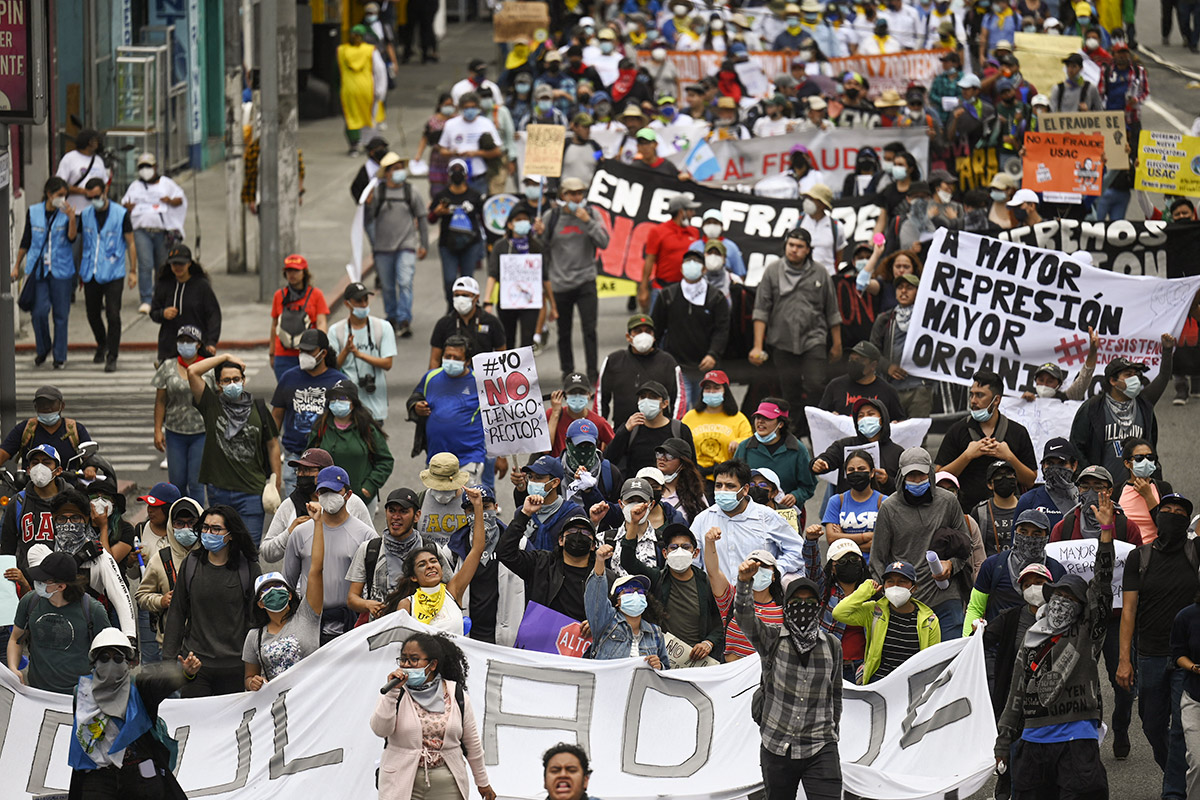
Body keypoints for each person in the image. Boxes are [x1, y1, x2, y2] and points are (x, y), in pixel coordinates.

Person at [993, 520, 1114, 800]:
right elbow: (1016, 694)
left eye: (1070, 598)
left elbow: (1102, 585)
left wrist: (1106, 532)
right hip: (1033, 741)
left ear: (1081, 608)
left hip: (1077, 740)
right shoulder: (1032, 639)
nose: (1061, 601)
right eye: (1058, 595)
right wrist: (1003, 743)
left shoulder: (1087, 635)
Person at [735, 566, 843, 800]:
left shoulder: (832, 645)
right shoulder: (771, 639)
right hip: (777, 745)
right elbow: (744, 617)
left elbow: (835, 694)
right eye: (796, 601)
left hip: (820, 745)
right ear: (786, 606)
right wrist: (744, 582)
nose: (803, 607)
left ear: (818, 607)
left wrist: (833, 731)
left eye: (809, 602)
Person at [1120, 494, 1197, 792]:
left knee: (1179, 728)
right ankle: (1179, 774)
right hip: (1149, 655)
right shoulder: (1139, 558)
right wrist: (1124, 660)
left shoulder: (1195, 552)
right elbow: (1128, 610)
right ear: (1157, 516)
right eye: (1167, 510)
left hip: (1185, 658)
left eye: (1180, 513)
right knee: (1152, 725)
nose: (1173, 515)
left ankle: (1173, 792)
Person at [66, 628, 201, 797]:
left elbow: (162, 684)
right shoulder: (82, 693)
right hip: (99, 774)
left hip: (138, 772)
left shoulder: (140, 687)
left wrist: (185, 673)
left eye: (118, 658)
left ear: (127, 663)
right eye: (104, 658)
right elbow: (82, 736)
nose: (111, 664)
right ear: (95, 662)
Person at [371, 632, 495, 800]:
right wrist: (392, 693)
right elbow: (380, 729)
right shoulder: (396, 692)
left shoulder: (455, 694)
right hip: (400, 782)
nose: (406, 665)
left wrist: (483, 782)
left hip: (446, 785)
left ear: (432, 665)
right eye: (403, 659)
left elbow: (472, 744)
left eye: (414, 660)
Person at [871, 447, 972, 639]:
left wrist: (951, 565)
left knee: (949, 653)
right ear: (901, 476)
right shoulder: (889, 508)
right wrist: (888, 595)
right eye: (911, 476)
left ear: (931, 474)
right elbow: (878, 559)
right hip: (905, 600)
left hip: (945, 596)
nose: (917, 481)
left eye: (922, 475)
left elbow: (967, 546)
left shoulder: (948, 501)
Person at [162, 504, 262, 697]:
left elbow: (257, 618)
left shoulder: (248, 568)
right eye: (205, 528)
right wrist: (168, 661)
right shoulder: (191, 564)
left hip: (236, 666)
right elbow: (177, 613)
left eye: (216, 529)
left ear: (231, 534)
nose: (209, 533)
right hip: (196, 665)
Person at [749, 228, 843, 431]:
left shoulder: (820, 272)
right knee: (789, 392)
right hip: (781, 341)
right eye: (791, 245)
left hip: (814, 339)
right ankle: (792, 434)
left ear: (808, 249)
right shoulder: (773, 271)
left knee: (816, 385)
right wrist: (757, 346)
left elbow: (832, 310)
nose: (794, 249)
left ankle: (816, 430)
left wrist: (837, 343)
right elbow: (761, 310)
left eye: (800, 246)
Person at [187, 353, 282, 544]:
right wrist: (225, 356)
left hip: (252, 492)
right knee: (221, 548)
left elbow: (273, 446)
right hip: (218, 491)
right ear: (218, 384)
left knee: (249, 549)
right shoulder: (211, 405)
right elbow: (192, 371)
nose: (232, 384)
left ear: (244, 381)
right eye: (226, 380)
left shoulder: (259, 409)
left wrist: (275, 483)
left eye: (236, 379)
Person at [283, 466, 378, 644]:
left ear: (348, 495)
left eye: (334, 491)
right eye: (324, 491)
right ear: (317, 494)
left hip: (350, 627)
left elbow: (374, 587)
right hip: (308, 625)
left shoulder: (366, 535)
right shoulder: (300, 533)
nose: (329, 496)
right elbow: (288, 582)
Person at [380, 487, 488, 636]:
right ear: (413, 577)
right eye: (422, 564)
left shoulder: (453, 591)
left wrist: (478, 506)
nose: (430, 566)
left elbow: (477, 549)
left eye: (433, 561)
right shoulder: (407, 604)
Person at [244, 501, 325, 687]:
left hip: (312, 696)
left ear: (289, 594)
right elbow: (249, 678)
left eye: (278, 586)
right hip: (280, 702)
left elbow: (316, 569)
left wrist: (318, 523)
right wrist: (252, 683)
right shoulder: (254, 637)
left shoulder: (307, 615)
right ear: (260, 603)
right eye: (266, 589)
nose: (273, 591)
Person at [619, 521, 724, 663]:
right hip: (663, 657)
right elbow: (627, 561)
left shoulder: (706, 582)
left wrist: (709, 642)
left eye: (686, 547)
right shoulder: (658, 578)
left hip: (698, 659)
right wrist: (633, 524)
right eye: (673, 548)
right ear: (665, 553)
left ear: (695, 553)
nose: (679, 551)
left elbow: (721, 620)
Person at [1070, 346, 1176, 487]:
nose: (1135, 379)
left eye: (1135, 374)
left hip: (1138, 488)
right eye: (1128, 375)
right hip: (1102, 489)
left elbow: (1163, 377)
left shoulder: (1144, 405)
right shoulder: (1093, 408)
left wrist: (1167, 350)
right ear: (1113, 381)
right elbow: (1077, 447)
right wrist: (1091, 482)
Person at [936, 369, 1038, 512]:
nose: (973, 401)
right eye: (971, 394)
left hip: (1009, 514)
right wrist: (967, 456)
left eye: (980, 395)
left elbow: (1030, 480)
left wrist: (1009, 457)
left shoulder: (1017, 432)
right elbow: (939, 476)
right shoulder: (957, 431)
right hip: (965, 512)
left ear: (996, 400)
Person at [6, 551, 109, 693]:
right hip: (37, 692)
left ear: (61, 586)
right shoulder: (30, 602)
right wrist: (13, 668)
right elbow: (15, 639)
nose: (37, 583)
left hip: (80, 695)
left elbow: (107, 653)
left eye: (43, 581)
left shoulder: (93, 610)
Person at [539, 176, 609, 382]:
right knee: (564, 332)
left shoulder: (592, 214)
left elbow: (604, 242)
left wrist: (588, 222)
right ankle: (567, 372)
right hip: (560, 283)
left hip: (586, 280)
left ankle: (593, 372)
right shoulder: (551, 216)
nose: (576, 198)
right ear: (563, 195)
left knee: (589, 329)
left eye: (579, 193)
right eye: (571, 194)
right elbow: (540, 247)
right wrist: (538, 233)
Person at [691, 459, 805, 580]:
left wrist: (775, 570)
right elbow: (693, 561)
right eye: (718, 485)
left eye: (730, 486)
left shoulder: (767, 517)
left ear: (745, 489)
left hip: (757, 590)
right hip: (715, 591)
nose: (723, 490)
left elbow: (797, 550)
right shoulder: (703, 520)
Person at [833, 558, 941, 683]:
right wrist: (865, 590)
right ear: (884, 586)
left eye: (902, 581)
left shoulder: (929, 620)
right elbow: (839, 613)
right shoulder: (874, 611)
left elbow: (933, 660)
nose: (895, 586)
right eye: (890, 581)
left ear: (914, 588)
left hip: (911, 685)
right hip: (878, 683)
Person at [260, 447, 373, 562]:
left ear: (326, 472)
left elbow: (372, 546)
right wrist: (289, 532)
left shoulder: (351, 502)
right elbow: (267, 553)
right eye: (299, 470)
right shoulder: (290, 504)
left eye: (307, 470)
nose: (301, 475)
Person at [499, 506, 611, 622]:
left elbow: (616, 614)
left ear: (593, 545)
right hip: (542, 632)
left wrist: (598, 624)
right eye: (572, 531)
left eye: (585, 532)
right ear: (560, 540)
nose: (578, 535)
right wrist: (524, 515)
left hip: (583, 633)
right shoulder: (540, 563)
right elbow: (505, 553)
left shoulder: (604, 578)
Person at [408, 337, 494, 488]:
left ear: (467, 361)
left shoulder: (480, 382)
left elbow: (496, 418)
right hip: (436, 459)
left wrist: (500, 456)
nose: (451, 361)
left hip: (469, 457)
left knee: (464, 500)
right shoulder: (430, 377)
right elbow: (416, 397)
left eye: (457, 358)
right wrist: (416, 406)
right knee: (438, 500)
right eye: (448, 356)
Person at [271, 329, 350, 495]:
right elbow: (276, 417)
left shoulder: (338, 381)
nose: (304, 355)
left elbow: (349, 421)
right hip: (295, 457)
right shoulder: (288, 378)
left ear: (323, 353)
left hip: (325, 460)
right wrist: (270, 449)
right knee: (294, 508)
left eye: (309, 351)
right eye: (301, 350)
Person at [964, 508, 1067, 633]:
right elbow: (975, 608)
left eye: (1036, 534)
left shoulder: (1056, 570)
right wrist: (968, 640)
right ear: (1015, 533)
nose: (1029, 538)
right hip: (997, 641)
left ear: (1046, 537)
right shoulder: (993, 565)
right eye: (1023, 532)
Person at [651, 253, 732, 407]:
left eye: (696, 262)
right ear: (681, 269)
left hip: (705, 365)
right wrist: (657, 357)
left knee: (702, 408)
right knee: (682, 408)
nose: (692, 265)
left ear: (704, 270)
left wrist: (713, 354)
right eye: (688, 262)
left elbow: (722, 329)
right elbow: (656, 328)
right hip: (677, 365)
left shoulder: (716, 297)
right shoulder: (668, 295)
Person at [13, 177, 77, 368]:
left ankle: (59, 356)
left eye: (65, 195)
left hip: (61, 269)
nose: (62, 199)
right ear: (49, 194)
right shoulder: (34, 212)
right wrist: (16, 266)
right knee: (39, 312)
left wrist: (72, 219)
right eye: (59, 195)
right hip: (38, 269)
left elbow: (72, 238)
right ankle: (43, 348)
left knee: (61, 315)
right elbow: (26, 240)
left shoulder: (67, 213)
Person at [365, 153, 430, 338]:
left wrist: (424, 244)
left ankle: (404, 319)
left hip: (406, 246)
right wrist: (368, 204)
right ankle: (392, 316)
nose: (400, 171)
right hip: (383, 248)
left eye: (401, 167)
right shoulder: (378, 193)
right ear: (386, 173)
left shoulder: (411, 191)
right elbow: (369, 219)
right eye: (395, 168)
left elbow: (422, 218)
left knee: (405, 281)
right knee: (387, 286)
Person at [307, 380, 393, 511]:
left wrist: (369, 487)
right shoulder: (321, 427)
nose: (337, 402)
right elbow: (309, 460)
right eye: (333, 398)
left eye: (342, 398)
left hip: (361, 499)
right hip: (326, 498)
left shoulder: (367, 428)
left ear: (353, 402)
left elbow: (385, 461)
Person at [78, 177, 136, 372]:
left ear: (105, 191)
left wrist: (133, 271)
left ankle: (112, 355)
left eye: (96, 196)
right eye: (90, 197)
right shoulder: (85, 215)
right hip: (91, 272)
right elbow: (83, 243)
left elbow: (131, 243)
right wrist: (80, 271)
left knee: (113, 314)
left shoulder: (120, 214)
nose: (93, 200)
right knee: (92, 313)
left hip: (113, 272)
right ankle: (101, 343)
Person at [135, 496, 202, 663]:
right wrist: (161, 601)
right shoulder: (161, 559)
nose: (186, 529)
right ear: (171, 526)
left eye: (191, 523)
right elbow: (141, 596)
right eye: (179, 523)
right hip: (171, 646)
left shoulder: (211, 556)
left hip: (206, 645)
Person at [584, 545, 670, 667]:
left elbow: (666, 669)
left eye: (640, 591)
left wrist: (659, 666)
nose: (635, 595)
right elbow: (596, 597)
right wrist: (600, 561)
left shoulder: (655, 632)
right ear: (617, 601)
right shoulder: (606, 622)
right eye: (628, 591)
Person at [121, 153, 186, 313]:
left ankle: (161, 297)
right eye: (142, 167)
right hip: (142, 231)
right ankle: (146, 299)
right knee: (145, 264)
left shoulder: (166, 183)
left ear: (155, 167)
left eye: (148, 166)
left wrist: (169, 201)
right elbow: (125, 203)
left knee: (162, 266)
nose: (145, 170)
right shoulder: (135, 186)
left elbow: (180, 199)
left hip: (161, 232)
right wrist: (128, 207)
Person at [485, 206, 556, 349]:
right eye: (518, 220)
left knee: (527, 342)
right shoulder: (500, 246)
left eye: (525, 220)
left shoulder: (536, 246)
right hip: (507, 301)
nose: (522, 222)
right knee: (507, 339)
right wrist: (487, 302)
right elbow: (492, 275)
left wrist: (553, 306)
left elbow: (545, 278)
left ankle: (525, 365)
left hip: (530, 303)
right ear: (510, 224)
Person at [597, 314, 687, 426]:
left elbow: (679, 399)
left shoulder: (668, 362)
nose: (643, 335)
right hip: (622, 429)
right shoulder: (613, 361)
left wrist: (674, 429)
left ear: (654, 337)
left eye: (648, 331)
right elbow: (601, 399)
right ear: (628, 336)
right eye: (638, 331)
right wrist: (600, 430)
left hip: (659, 431)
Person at [151, 325, 206, 500]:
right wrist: (158, 430)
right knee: (177, 483)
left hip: (201, 432)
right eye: (182, 341)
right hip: (175, 432)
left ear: (198, 344)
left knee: (196, 483)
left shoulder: (208, 368)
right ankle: (179, 514)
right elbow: (160, 401)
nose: (185, 344)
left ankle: (197, 515)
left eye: (190, 341)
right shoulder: (168, 367)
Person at [330, 281, 397, 423]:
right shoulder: (336, 331)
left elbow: (387, 363)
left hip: (376, 406)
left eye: (366, 299)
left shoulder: (383, 327)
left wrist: (359, 355)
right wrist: (346, 351)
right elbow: (333, 368)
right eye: (358, 301)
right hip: (347, 407)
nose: (364, 304)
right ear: (347, 304)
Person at [734, 399, 818, 508]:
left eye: (767, 418)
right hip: (750, 510)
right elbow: (734, 481)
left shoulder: (797, 449)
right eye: (758, 417)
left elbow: (808, 485)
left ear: (780, 424)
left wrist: (796, 496)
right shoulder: (744, 447)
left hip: (786, 510)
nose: (760, 421)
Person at [811, 397, 903, 495]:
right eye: (861, 416)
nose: (865, 419)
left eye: (871, 414)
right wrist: (818, 464)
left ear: (882, 419)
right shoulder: (844, 445)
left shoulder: (897, 452)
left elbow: (905, 488)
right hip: (848, 503)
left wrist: (887, 481)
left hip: (883, 504)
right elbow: (828, 459)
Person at [0, 443, 69, 572]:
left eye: (46, 463)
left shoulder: (71, 500)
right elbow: (7, 548)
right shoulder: (18, 502)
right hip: (27, 577)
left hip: (63, 576)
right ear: (28, 470)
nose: (40, 468)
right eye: (35, 463)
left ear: (58, 470)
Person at [149, 244, 221, 364]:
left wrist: (211, 342)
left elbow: (213, 314)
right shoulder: (164, 285)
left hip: (197, 348)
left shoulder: (201, 286)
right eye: (174, 264)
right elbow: (153, 311)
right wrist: (163, 313)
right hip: (169, 348)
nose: (178, 267)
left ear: (189, 264)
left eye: (181, 264)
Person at [605, 380, 696, 475]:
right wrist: (624, 431)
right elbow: (609, 460)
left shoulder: (679, 429)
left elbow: (692, 466)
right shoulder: (632, 428)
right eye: (642, 397)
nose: (646, 401)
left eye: (653, 397)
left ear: (665, 403)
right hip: (637, 482)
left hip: (670, 482)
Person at [430, 159, 487, 303]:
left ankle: (467, 308)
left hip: (470, 243)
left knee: (467, 281)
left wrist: (488, 241)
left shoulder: (475, 195)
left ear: (466, 175)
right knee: (449, 280)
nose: (457, 174)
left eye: (460, 171)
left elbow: (483, 218)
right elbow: (431, 218)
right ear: (449, 175)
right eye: (454, 171)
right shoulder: (442, 196)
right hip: (447, 244)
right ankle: (452, 307)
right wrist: (438, 212)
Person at [0, 384, 93, 471]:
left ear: (62, 406)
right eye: (41, 403)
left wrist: (90, 469)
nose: (46, 407)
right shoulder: (25, 429)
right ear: (35, 407)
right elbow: (3, 452)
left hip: (69, 482)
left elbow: (90, 458)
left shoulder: (75, 430)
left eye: (51, 403)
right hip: (31, 482)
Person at [269, 254, 331, 382]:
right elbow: (274, 325)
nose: (292, 274)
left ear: (304, 273)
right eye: (289, 271)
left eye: (296, 271)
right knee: (287, 390)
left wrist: (320, 348)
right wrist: (272, 353)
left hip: (308, 353)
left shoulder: (316, 295)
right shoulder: (279, 295)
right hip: (283, 355)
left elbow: (321, 322)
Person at [680, 370, 750, 482]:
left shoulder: (739, 418)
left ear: (725, 391)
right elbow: (680, 444)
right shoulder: (689, 417)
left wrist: (739, 442)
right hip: (695, 478)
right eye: (707, 388)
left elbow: (749, 442)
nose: (711, 392)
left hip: (726, 479)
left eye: (716, 388)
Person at [638, 193, 702, 313]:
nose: (693, 213)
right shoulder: (658, 231)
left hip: (688, 291)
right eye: (690, 210)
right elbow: (649, 260)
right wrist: (643, 289)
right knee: (657, 323)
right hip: (662, 289)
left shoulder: (694, 232)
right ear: (681, 212)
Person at [819, 449, 889, 555]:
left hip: (874, 564)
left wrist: (843, 538)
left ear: (872, 473)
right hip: (844, 564)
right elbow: (832, 539)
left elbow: (884, 543)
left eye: (861, 469)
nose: (856, 472)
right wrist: (866, 536)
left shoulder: (884, 502)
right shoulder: (836, 501)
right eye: (851, 470)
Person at [818, 341, 905, 421]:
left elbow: (900, 421)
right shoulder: (835, 386)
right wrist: (830, 417)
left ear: (873, 365)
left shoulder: (887, 391)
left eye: (858, 360)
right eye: (851, 359)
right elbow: (819, 417)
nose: (853, 363)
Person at [438, 91, 502, 196]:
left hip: (479, 177)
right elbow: (442, 150)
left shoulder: (486, 124)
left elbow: (497, 151)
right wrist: (453, 153)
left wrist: (476, 153)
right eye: (466, 108)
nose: (470, 110)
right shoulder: (451, 124)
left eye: (473, 107)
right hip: (456, 177)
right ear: (461, 108)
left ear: (478, 108)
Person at [1014, 438, 1081, 531]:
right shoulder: (1029, 500)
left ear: (1074, 466)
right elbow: (1016, 537)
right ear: (1043, 466)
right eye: (1050, 463)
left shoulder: (1084, 499)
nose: (1055, 469)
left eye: (1062, 463)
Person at [1118, 436, 1173, 542]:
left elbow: (1167, 527)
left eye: (1150, 457)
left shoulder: (1163, 488)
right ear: (1127, 463)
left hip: (1154, 548)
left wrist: (1148, 496)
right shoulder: (1117, 491)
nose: (1146, 462)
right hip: (1127, 549)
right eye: (1139, 458)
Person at [546, 373, 615, 457]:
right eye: (572, 392)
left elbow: (616, 447)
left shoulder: (599, 422)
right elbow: (545, 450)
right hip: (558, 464)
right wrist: (555, 414)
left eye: (582, 392)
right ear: (564, 395)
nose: (577, 396)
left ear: (589, 395)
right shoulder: (552, 415)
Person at [337, 26, 377, 155]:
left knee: (351, 118)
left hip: (348, 89)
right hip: (367, 89)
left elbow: (336, 73)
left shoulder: (341, 50)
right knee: (366, 116)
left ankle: (354, 145)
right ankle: (367, 143)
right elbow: (379, 70)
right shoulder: (370, 50)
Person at [970, 460, 1021, 557]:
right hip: (992, 564)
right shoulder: (980, 511)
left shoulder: (1027, 504)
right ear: (990, 484)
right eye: (998, 476)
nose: (1004, 478)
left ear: (1016, 480)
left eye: (1009, 474)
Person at [655, 437, 708, 523]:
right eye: (659, 454)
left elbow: (704, 523)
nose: (662, 458)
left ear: (683, 464)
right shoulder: (648, 488)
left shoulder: (694, 494)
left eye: (669, 455)